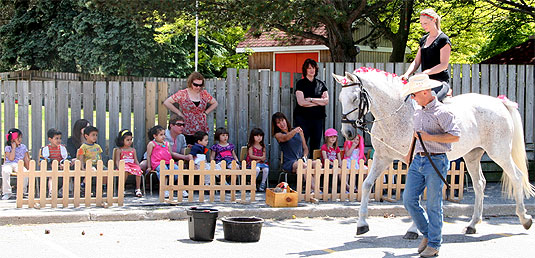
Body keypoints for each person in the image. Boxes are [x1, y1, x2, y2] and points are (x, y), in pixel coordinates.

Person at [402, 74, 460, 257]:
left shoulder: (443, 112)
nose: (412, 97)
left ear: (425, 92)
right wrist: (409, 153)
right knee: (409, 200)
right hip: (417, 160)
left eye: (414, 94)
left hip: (436, 160)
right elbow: (416, 134)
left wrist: (430, 138)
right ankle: (428, 234)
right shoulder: (418, 110)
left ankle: (434, 244)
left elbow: (455, 136)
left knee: (434, 205)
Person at [401, 8, 452, 102]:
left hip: (440, 82)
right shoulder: (423, 39)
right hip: (425, 82)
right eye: (421, 23)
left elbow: (443, 65)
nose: (423, 26)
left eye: (425, 23)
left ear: (434, 20)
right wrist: (406, 74)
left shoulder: (443, 39)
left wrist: (425, 73)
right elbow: (416, 62)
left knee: (428, 102)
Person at [163, 71, 218, 145]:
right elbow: (167, 102)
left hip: (200, 126)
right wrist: (179, 113)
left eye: (200, 85)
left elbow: (215, 103)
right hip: (187, 125)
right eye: (195, 85)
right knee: (187, 147)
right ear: (190, 83)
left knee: (200, 148)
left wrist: (205, 113)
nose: (198, 87)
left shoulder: (204, 94)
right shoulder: (183, 94)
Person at [272, 112, 316, 190]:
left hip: (301, 160)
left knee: (317, 164)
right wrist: (295, 131)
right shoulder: (278, 135)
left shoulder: (298, 132)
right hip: (290, 162)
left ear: (286, 120)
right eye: (278, 123)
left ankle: (312, 188)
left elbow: (305, 147)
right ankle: (316, 189)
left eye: (282, 120)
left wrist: (305, 156)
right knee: (303, 166)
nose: (282, 124)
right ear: (276, 125)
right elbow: (286, 137)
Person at [294, 58, 329, 155]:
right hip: (303, 118)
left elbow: (326, 101)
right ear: (305, 70)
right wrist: (318, 102)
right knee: (302, 142)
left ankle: (314, 165)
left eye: (313, 68)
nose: (311, 70)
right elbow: (301, 102)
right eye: (309, 68)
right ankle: (302, 164)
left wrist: (310, 99)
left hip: (318, 119)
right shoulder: (300, 84)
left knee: (316, 142)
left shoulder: (321, 84)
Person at [146, 125, 188, 198]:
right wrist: (149, 167)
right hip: (158, 163)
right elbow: (148, 156)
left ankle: (181, 189)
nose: (163, 137)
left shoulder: (166, 144)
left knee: (178, 170)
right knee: (164, 171)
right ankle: (165, 189)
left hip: (168, 162)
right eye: (161, 135)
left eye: (164, 134)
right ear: (155, 136)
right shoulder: (152, 144)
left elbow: (170, 154)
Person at [2, 128, 29, 200]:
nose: (20, 139)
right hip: (8, 164)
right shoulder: (8, 147)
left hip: (19, 164)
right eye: (18, 137)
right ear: (12, 139)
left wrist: (29, 168)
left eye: (21, 137)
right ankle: (7, 192)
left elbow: (26, 158)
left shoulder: (23, 147)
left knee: (25, 172)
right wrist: (13, 148)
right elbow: (11, 158)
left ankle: (21, 192)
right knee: (5, 171)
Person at [114, 129, 143, 198]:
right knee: (125, 170)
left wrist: (139, 166)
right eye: (127, 140)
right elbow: (117, 160)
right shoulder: (119, 150)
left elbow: (135, 160)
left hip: (132, 165)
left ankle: (138, 189)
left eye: (131, 139)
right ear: (122, 140)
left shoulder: (133, 150)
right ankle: (122, 188)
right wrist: (119, 167)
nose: (130, 142)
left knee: (138, 170)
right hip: (123, 165)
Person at [41, 128, 69, 197]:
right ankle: (51, 191)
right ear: (50, 139)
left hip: (61, 167)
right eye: (56, 138)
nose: (59, 140)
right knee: (51, 176)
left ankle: (62, 190)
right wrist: (52, 162)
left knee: (66, 175)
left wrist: (63, 163)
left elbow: (66, 158)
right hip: (50, 167)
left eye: (60, 138)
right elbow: (44, 159)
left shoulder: (62, 148)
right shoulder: (46, 149)